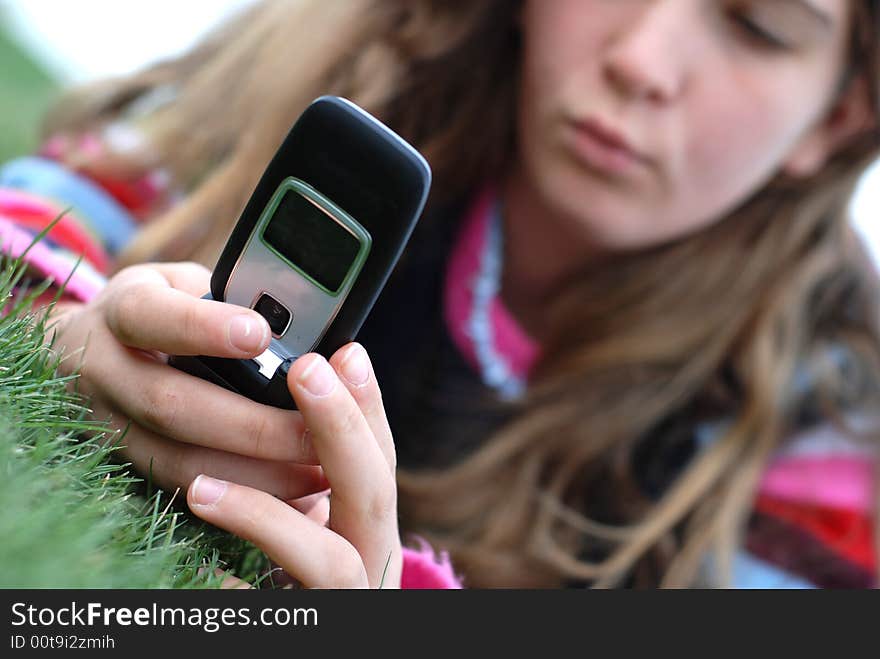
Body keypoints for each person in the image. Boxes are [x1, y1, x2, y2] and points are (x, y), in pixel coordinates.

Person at [1, 0, 878, 588]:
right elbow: (49, 204)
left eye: (758, 24)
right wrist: (66, 323)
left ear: (843, 114)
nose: (641, 59)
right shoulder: (368, 58)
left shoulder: (833, 449)